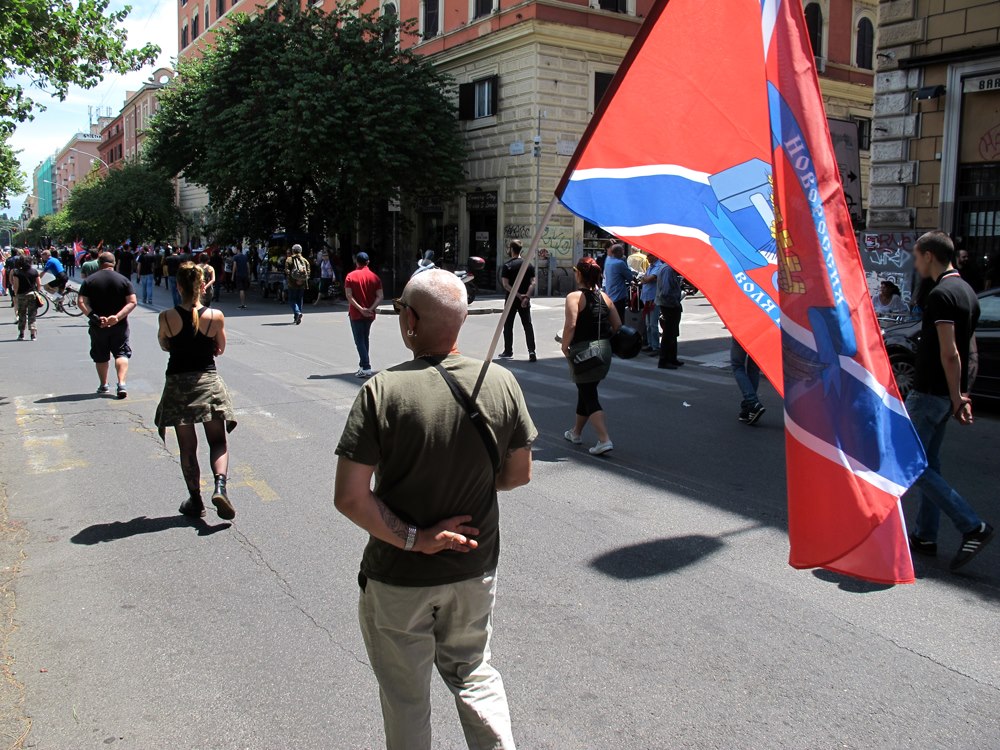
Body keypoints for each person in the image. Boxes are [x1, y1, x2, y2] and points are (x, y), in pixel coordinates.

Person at [334, 269, 535, 750]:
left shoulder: (382, 392)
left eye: (403, 307)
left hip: (399, 576)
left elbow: (350, 496)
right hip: (473, 567)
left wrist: (415, 538)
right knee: (474, 672)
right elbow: (518, 474)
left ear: (411, 321)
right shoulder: (502, 382)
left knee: (406, 698)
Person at [903, 231, 993, 571]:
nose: (915, 262)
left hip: (929, 393)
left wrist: (958, 396)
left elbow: (950, 351)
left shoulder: (942, 294)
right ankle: (926, 535)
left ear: (929, 255)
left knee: (909, 463)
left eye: (916, 256)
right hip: (943, 395)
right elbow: (968, 349)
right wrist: (961, 395)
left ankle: (972, 525)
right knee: (931, 463)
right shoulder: (968, 291)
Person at [154, 262, 237, 521]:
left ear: (178, 286)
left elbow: (165, 344)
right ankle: (220, 487)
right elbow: (220, 348)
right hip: (207, 384)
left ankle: (196, 500)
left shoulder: (166, 316)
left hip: (178, 386)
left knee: (187, 448)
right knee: (218, 442)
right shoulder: (215, 316)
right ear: (203, 287)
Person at [561, 256, 621, 455]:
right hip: (603, 351)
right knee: (585, 390)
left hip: (583, 352)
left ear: (578, 273)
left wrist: (564, 346)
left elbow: (571, 326)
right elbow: (618, 326)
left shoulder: (574, 297)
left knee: (588, 393)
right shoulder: (605, 297)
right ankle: (575, 432)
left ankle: (604, 439)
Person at [78, 252, 137, 398]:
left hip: (98, 326)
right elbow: (132, 302)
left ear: (99, 263)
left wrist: (94, 317)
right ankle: (121, 383)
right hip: (119, 324)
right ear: (114, 263)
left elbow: (81, 302)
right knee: (122, 353)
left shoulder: (90, 281)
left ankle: (104, 385)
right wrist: (117, 317)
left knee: (101, 355)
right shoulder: (123, 280)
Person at [344, 251, 384, 377]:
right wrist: (370, 308)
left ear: (356, 261)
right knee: (365, 338)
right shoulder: (374, 277)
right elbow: (380, 296)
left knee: (359, 340)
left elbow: (349, 296)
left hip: (356, 313)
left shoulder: (350, 276)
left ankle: (366, 366)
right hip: (370, 314)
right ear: (368, 262)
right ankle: (362, 365)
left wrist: (361, 309)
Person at [497, 239, 537, 362]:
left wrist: (518, 296)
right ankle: (531, 351)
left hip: (511, 300)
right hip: (524, 300)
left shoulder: (507, 265)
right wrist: (526, 297)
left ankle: (508, 351)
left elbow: (505, 285)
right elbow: (533, 282)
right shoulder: (528, 265)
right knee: (527, 325)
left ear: (511, 249)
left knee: (508, 325)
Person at [654, 260, 684, 369]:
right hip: (669, 305)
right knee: (669, 333)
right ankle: (664, 360)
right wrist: (675, 301)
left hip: (669, 304)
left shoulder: (667, 268)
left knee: (672, 332)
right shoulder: (668, 269)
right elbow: (666, 291)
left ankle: (672, 358)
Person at [731, 338, 766, 425]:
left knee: (738, 366)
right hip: (761, 332)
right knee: (754, 369)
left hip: (742, 329)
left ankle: (753, 402)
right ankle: (748, 407)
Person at [11, 254, 41, 341]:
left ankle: (21, 334)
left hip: (21, 295)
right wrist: (37, 292)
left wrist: (15, 295)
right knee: (32, 314)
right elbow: (39, 284)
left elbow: (16, 285)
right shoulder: (34, 272)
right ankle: (33, 334)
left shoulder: (17, 273)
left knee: (22, 314)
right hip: (32, 294)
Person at [602, 243, 631, 320]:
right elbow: (629, 277)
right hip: (619, 295)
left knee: (611, 318)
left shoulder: (608, 260)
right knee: (620, 318)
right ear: (618, 252)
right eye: (622, 251)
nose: (623, 253)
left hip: (610, 293)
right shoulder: (620, 263)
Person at [282, 244, 310, 324]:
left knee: (292, 300)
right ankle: (297, 317)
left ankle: (297, 313)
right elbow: (308, 272)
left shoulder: (289, 259)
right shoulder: (305, 260)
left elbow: (287, 271)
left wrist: (294, 278)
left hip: (292, 283)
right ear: (301, 251)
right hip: (302, 284)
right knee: (299, 299)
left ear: (292, 251)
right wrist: (301, 280)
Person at [640, 255, 662, 353]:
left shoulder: (658, 267)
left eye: (649, 256)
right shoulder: (651, 266)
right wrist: (645, 279)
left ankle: (655, 346)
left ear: (654, 257)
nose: (647, 258)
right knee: (648, 324)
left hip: (653, 299)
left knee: (653, 324)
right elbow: (644, 279)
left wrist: (645, 279)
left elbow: (647, 279)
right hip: (647, 298)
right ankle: (650, 344)